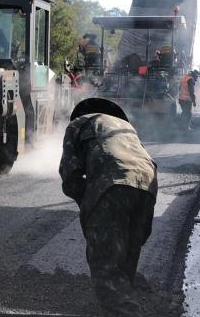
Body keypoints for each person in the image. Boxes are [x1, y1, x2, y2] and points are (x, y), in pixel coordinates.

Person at [59, 98, 157, 317]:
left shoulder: (78, 124)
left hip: (113, 185)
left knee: (107, 270)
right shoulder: (126, 127)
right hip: (148, 186)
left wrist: (88, 202)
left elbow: (70, 175)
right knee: (125, 264)